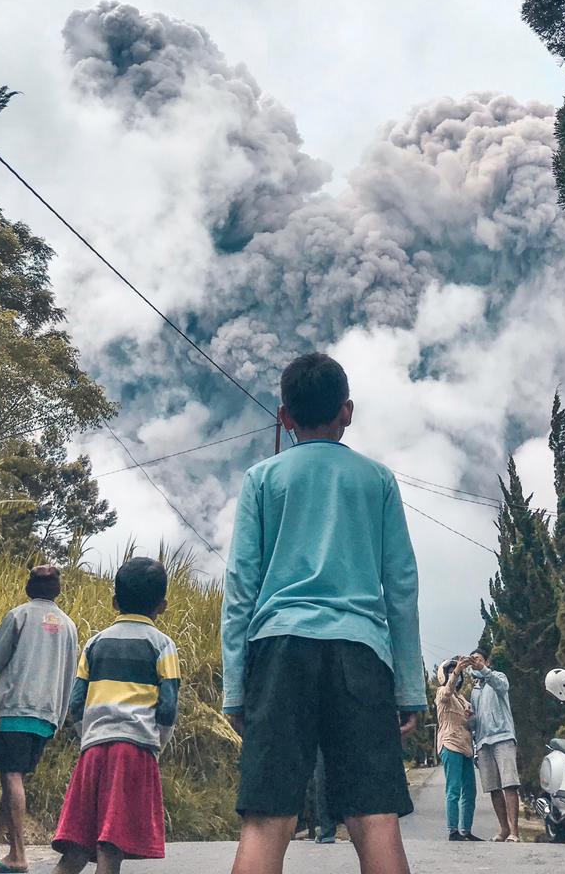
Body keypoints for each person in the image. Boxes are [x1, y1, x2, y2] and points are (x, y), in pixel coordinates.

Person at [222, 351, 426, 874]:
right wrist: (408, 686)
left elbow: (241, 586)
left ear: (285, 416)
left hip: (279, 648)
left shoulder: (262, 479)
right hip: (361, 654)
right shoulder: (377, 480)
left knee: (267, 819)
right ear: (347, 411)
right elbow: (400, 585)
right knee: (375, 816)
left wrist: (236, 688)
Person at [50, 557, 180, 873]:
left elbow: (76, 704)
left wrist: (90, 735)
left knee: (78, 845)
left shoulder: (94, 644)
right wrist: (154, 741)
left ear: (114, 602)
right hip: (135, 751)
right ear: (162, 606)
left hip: (93, 750)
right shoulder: (164, 646)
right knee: (111, 844)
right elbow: (167, 708)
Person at [0, 564, 78, 874]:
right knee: (15, 779)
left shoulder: (19, 616)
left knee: (11, 776)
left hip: (17, 710)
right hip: (47, 715)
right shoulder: (68, 626)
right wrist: (60, 718)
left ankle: (19, 855)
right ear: (57, 591)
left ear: (29, 587)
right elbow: (70, 675)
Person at [468, 645, 520, 842]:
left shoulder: (498, 677)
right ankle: (504, 829)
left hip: (503, 737)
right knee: (493, 788)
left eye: (478, 659)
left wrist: (484, 669)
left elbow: (503, 687)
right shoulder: (474, 691)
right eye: (472, 660)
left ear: (487, 661)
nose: (475, 663)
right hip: (483, 742)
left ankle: (515, 832)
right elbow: (474, 723)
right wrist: (470, 719)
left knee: (510, 784)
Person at [435, 657, 480, 842]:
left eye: (459, 672)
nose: (457, 675)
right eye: (452, 672)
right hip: (450, 743)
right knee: (453, 789)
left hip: (466, 747)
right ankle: (453, 830)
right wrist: (456, 671)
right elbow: (447, 692)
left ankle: (466, 830)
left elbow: (471, 722)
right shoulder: (441, 692)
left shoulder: (462, 699)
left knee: (470, 790)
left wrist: (470, 716)